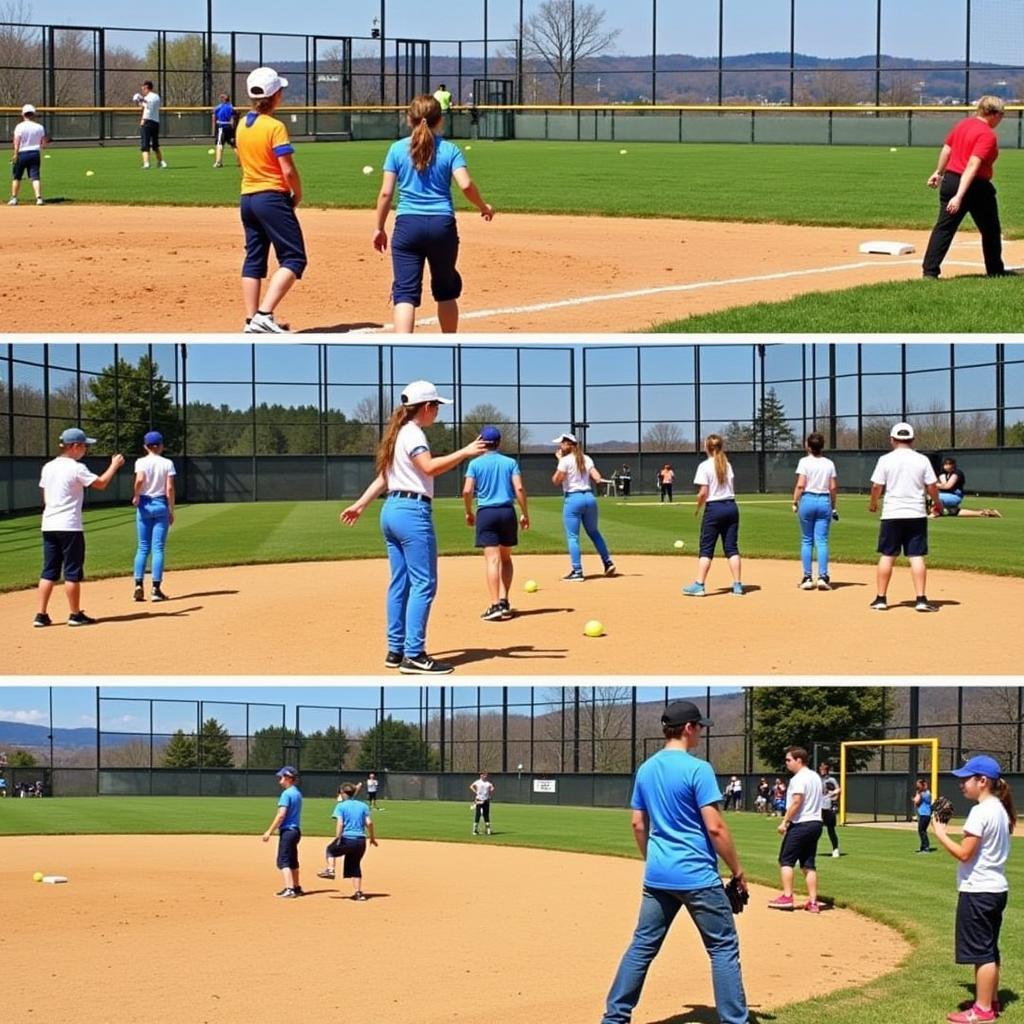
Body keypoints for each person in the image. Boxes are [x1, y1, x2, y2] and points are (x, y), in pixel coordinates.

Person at [600, 700, 749, 1024]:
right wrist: (737, 871)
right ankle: (734, 1021)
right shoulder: (699, 769)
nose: (700, 733)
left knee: (642, 946)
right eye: (699, 727)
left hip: (658, 876)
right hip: (697, 876)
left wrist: (653, 859)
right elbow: (715, 826)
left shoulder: (646, 768)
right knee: (723, 947)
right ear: (687, 728)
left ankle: (614, 1018)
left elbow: (638, 824)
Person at [340, 380, 487, 675]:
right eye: (437, 407)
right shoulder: (414, 434)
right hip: (412, 512)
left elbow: (384, 479)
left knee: (400, 583)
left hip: (391, 510)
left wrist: (360, 504)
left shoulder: (398, 434)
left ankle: (395, 650)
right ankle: (415, 654)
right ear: (427, 407)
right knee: (424, 583)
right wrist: (465, 452)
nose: (438, 413)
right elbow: (429, 468)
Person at [373, 94, 494, 333]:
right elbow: (466, 185)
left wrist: (379, 228)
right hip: (442, 226)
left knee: (405, 294)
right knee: (445, 290)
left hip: (407, 226)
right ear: (441, 120)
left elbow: (386, 193)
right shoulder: (450, 150)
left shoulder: (397, 149)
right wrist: (484, 207)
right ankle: (449, 347)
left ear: (409, 118)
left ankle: (401, 351)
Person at [932, 755, 1015, 1024]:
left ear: (982, 781)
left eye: (966, 778)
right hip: (995, 889)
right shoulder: (999, 809)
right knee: (989, 948)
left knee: (981, 952)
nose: (961, 783)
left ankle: (982, 1011)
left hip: (979, 890)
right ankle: (989, 999)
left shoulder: (981, 811)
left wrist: (940, 832)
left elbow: (964, 854)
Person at [236, 66, 307, 334]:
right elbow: (287, 168)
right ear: (276, 95)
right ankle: (264, 315)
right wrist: (296, 194)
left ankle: (251, 319)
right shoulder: (275, 126)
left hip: (247, 197)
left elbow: (241, 161)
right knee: (294, 258)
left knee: (254, 257)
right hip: (271, 197)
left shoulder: (243, 123)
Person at [35, 428, 124, 628]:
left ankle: (41, 615)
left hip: (48, 524)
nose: (86, 449)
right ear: (74, 446)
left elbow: (45, 496)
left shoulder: (48, 467)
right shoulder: (76, 467)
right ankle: (75, 614)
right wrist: (114, 465)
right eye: (84, 445)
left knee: (49, 570)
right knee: (72, 571)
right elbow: (100, 484)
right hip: (69, 526)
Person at [922, 96, 1007, 280]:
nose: (1002, 119)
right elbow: (972, 165)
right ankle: (995, 270)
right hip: (973, 186)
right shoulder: (987, 134)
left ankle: (929, 272)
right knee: (991, 230)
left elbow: (947, 148)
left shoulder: (963, 124)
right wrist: (960, 196)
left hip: (951, 180)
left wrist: (938, 172)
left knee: (943, 229)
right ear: (993, 114)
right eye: (1001, 114)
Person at [868, 422, 943, 612]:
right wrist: (937, 502)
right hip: (916, 513)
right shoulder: (922, 460)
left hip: (892, 513)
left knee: (887, 555)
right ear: (912, 439)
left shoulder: (885, 459)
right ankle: (921, 599)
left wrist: (874, 503)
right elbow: (932, 486)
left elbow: (877, 486)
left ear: (892, 440)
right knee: (916, 556)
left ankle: (881, 599)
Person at [463, 425, 530, 622]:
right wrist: (525, 514)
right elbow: (519, 488)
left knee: (492, 560)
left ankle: (494, 606)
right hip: (507, 512)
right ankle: (504, 601)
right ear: (499, 443)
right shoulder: (510, 462)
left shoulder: (475, 464)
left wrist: (468, 511)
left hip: (486, 513)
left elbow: (467, 491)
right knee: (506, 559)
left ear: (481, 442)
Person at [682, 434, 744, 597]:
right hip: (731, 506)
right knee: (731, 547)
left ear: (707, 448)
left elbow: (703, 493)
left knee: (706, 548)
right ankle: (737, 585)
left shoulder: (704, 466)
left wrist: (698, 507)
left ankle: (699, 585)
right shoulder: (727, 464)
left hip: (714, 508)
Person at [551, 432, 616, 582]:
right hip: (589, 498)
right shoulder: (586, 458)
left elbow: (556, 480)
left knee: (573, 536)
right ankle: (608, 563)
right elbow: (597, 477)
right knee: (594, 532)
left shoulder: (565, 460)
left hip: (573, 499)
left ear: (569, 445)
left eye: (562, 443)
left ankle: (577, 571)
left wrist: (560, 461)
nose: (560, 446)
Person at [768, 746, 824, 913]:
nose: (787, 763)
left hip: (801, 823)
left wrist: (785, 822)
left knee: (785, 860)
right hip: (815, 823)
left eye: (789, 760)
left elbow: (797, 801)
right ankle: (813, 902)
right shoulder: (815, 776)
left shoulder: (799, 778)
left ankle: (787, 897)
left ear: (799, 760)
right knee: (808, 863)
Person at [131, 430, 175, 603]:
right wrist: (171, 509)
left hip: (144, 505)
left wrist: (136, 495)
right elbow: (169, 488)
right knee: (158, 548)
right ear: (161, 446)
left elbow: (140, 479)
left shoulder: (141, 461)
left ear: (145, 446)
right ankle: (156, 590)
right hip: (161, 504)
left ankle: (138, 585)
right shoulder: (167, 463)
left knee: (142, 547)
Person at [792, 432, 838, 591]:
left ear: (809, 446)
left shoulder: (804, 461)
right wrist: (833, 505)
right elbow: (832, 487)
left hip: (808, 500)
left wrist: (795, 501)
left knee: (807, 540)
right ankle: (823, 577)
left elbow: (800, 484)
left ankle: (807, 577)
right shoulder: (829, 463)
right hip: (824, 500)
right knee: (822, 541)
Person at [318, 782, 377, 900]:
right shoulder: (363, 806)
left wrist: (338, 838)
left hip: (347, 838)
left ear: (343, 794)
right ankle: (359, 893)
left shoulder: (341, 806)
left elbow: (340, 823)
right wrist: (372, 838)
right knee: (355, 866)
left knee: (330, 850)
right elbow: (369, 823)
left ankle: (330, 869)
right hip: (361, 841)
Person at [261, 765, 303, 898]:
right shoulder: (297, 793)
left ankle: (289, 889)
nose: (280, 779)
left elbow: (281, 815)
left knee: (283, 861)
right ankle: (296, 887)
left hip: (287, 831)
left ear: (289, 778)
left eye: (282, 777)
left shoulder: (286, 794)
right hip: (296, 830)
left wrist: (269, 831)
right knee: (292, 860)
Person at [9, 103, 48, 206]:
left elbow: (17, 141)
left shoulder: (19, 126)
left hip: (22, 153)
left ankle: (14, 198)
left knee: (17, 176)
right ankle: (39, 198)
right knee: (35, 177)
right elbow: (43, 143)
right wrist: (42, 146)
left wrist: (15, 154)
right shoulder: (39, 127)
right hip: (35, 153)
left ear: (23, 114)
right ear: (33, 114)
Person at [937, 458, 1001, 518]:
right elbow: (943, 484)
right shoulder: (943, 474)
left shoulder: (957, 473)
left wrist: (934, 485)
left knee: (933, 496)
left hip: (955, 496)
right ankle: (986, 513)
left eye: (949, 464)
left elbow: (947, 486)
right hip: (946, 496)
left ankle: (934, 512)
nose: (947, 466)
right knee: (954, 512)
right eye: (945, 464)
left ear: (954, 465)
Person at [135, 81, 167, 170]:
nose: (142, 90)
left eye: (143, 88)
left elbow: (147, 109)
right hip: (156, 122)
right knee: (155, 145)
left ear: (146, 87)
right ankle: (160, 162)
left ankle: (146, 163)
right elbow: (145, 106)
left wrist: (143, 120)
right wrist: (140, 101)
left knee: (145, 144)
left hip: (147, 122)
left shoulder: (150, 97)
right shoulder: (156, 96)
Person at [818, 761, 841, 858]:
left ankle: (835, 849)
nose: (822, 770)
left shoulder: (831, 780)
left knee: (831, 829)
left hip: (828, 807)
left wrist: (834, 800)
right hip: (819, 808)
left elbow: (838, 790)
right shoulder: (817, 780)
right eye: (821, 768)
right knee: (816, 829)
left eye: (824, 768)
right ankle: (810, 850)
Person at [211, 93, 237, 168]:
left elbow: (215, 117)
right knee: (234, 145)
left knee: (220, 144)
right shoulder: (231, 107)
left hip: (222, 127)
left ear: (222, 99)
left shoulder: (218, 108)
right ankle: (241, 162)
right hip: (230, 128)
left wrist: (213, 129)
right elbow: (233, 119)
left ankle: (218, 162)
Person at [913, 777, 934, 854]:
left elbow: (917, 801)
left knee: (922, 831)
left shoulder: (925, 794)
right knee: (921, 831)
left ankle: (926, 848)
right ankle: (922, 847)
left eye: (918, 785)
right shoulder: (922, 793)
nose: (917, 787)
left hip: (925, 814)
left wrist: (917, 795)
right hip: (922, 814)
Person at [470, 770, 494, 836]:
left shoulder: (487, 783)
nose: (484, 775)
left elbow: (492, 788)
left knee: (486, 815)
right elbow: (471, 786)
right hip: (479, 800)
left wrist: (489, 792)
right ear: (481, 775)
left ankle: (488, 830)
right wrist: (476, 792)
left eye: (485, 774)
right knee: (478, 814)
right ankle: (475, 830)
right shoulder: (478, 782)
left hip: (485, 800)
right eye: (483, 774)